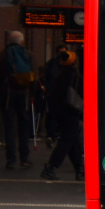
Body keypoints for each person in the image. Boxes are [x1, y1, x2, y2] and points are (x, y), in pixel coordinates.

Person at [0, 31, 35, 170]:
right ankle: (24, 158)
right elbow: (33, 75)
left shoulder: (1, 55)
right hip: (24, 94)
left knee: (9, 127)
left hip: (8, 94)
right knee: (23, 126)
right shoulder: (28, 54)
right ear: (22, 41)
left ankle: (11, 159)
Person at [41, 48, 84, 181]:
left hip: (60, 112)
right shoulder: (75, 76)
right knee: (67, 140)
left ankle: (80, 169)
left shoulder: (59, 75)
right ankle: (51, 167)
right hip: (71, 112)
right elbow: (82, 94)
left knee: (73, 141)